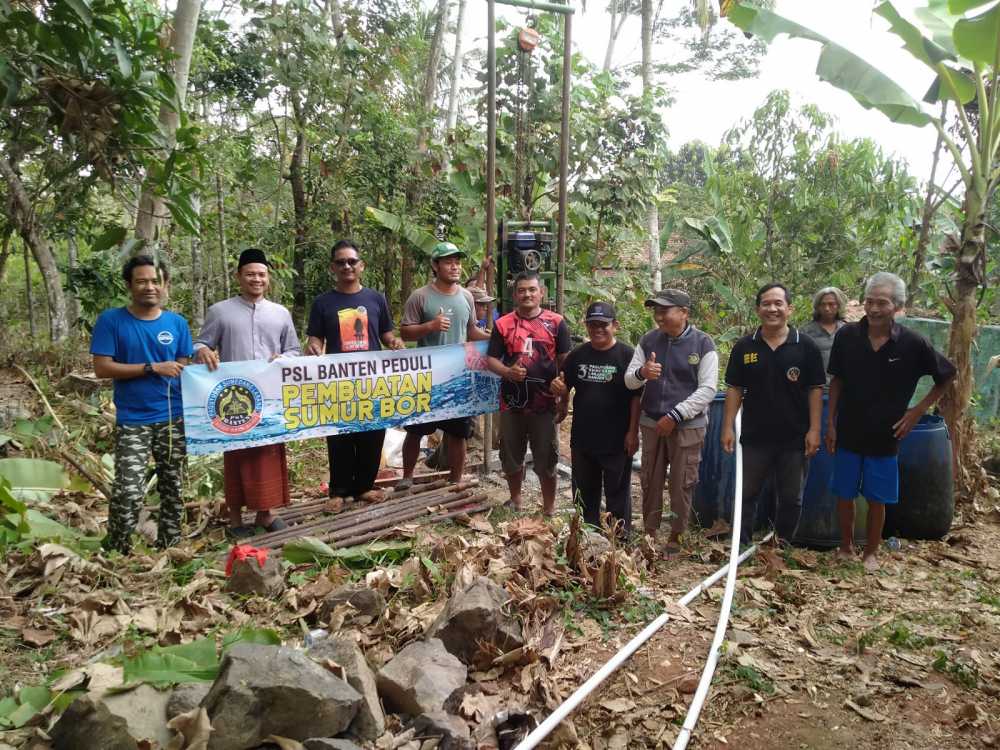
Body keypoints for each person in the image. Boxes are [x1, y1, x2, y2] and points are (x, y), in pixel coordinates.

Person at [827, 272, 955, 570]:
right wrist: (830, 423)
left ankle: (871, 552)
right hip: (848, 429)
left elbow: (946, 376)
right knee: (844, 493)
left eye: (881, 303)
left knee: (877, 497)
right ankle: (846, 547)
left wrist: (916, 412)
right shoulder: (846, 336)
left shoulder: (912, 343)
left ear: (897, 306)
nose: (873, 308)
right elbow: (837, 381)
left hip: (887, 434)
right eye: (869, 301)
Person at [194, 248, 301, 537]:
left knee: (268, 452)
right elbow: (200, 345)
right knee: (237, 455)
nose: (256, 279)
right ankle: (236, 520)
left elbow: (294, 350)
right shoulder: (220, 311)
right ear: (239, 276)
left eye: (261, 274)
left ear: (268, 278)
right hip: (234, 396)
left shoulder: (280, 313)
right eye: (250, 274)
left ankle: (265, 514)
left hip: (269, 396)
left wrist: (284, 359)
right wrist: (202, 349)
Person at [91, 256, 193, 554]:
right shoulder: (112, 320)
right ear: (129, 285)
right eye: (142, 281)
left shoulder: (177, 323)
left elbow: (183, 367)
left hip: (173, 418)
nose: (150, 287)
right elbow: (102, 368)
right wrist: (151, 367)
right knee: (128, 490)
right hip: (133, 419)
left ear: (165, 285)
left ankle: (169, 547)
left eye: (155, 281)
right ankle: (117, 550)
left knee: (173, 488)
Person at [721, 283, 826, 546]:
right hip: (755, 435)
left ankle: (781, 545)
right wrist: (727, 427)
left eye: (778, 303)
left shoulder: (806, 347)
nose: (772, 308)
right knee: (746, 493)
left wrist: (815, 430)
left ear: (789, 309)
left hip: (795, 437)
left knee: (791, 497)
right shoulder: (745, 347)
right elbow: (734, 388)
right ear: (758, 309)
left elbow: (815, 390)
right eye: (766, 303)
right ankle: (741, 544)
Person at [306, 240, 405, 506]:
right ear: (332, 268)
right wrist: (314, 347)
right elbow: (315, 338)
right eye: (341, 262)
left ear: (361, 266)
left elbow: (385, 334)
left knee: (373, 433)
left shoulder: (375, 299)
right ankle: (338, 491)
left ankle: (363, 487)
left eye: (352, 261)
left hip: (371, 380)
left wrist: (394, 342)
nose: (347, 266)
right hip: (338, 382)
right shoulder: (322, 303)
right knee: (340, 436)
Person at [624, 289, 717, 553]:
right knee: (650, 479)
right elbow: (629, 379)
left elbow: (708, 389)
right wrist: (643, 372)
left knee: (682, 482)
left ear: (684, 313)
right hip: (652, 423)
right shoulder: (648, 340)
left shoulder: (703, 344)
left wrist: (676, 415)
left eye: (665, 311)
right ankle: (650, 534)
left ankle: (676, 536)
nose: (659, 316)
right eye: (656, 311)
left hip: (687, 427)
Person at [399, 241, 490, 486]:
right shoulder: (420, 297)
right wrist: (430, 326)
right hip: (426, 376)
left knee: (458, 432)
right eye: (449, 262)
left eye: (457, 262)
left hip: (457, 375)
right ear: (435, 265)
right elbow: (405, 333)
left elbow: (471, 331)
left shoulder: (467, 296)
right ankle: (407, 478)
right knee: (416, 429)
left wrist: (494, 339)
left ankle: (455, 481)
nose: (455, 267)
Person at [549, 302, 640, 535]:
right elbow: (564, 386)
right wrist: (558, 392)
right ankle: (586, 536)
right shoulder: (578, 355)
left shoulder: (627, 355)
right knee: (584, 491)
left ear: (615, 326)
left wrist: (633, 432)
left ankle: (619, 538)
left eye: (603, 325)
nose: (597, 329)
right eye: (592, 325)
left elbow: (636, 398)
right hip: (583, 438)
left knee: (617, 492)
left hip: (617, 439)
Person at [486, 271, 572, 514]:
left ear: (541, 293)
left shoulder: (557, 322)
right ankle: (516, 499)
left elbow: (566, 364)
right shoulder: (502, 324)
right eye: (522, 290)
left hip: (545, 403)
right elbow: (490, 360)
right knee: (511, 454)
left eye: (532, 290)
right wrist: (507, 371)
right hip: (511, 402)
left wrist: (564, 399)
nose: (527, 294)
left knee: (546, 457)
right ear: (515, 295)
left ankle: (549, 508)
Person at [801, 286, 848, 384]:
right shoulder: (805, 332)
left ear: (839, 305)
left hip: (842, 388)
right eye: (823, 304)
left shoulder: (847, 330)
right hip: (815, 387)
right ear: (817, 306)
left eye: (831, 304)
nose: (827, 308)